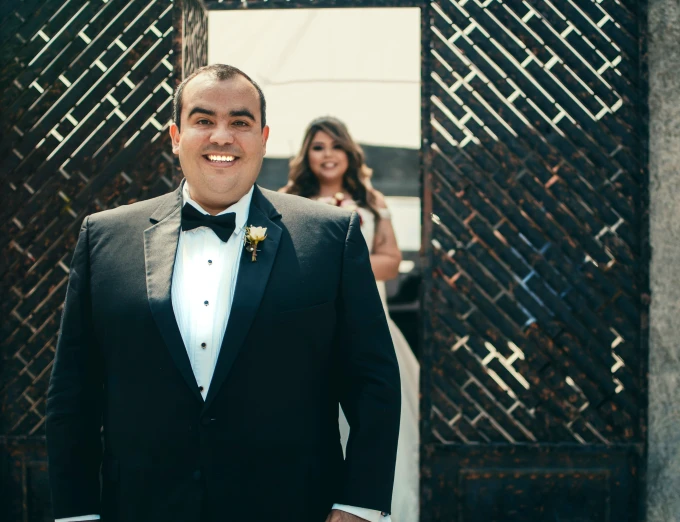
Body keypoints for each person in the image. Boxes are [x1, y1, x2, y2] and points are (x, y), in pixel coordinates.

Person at [45, 65, 401, 522]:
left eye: (239, 121)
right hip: (141, 507)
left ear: (264, 136)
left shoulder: (331, 236)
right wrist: (75, 513)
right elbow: (73, 392)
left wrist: (360, 505)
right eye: (203, 120)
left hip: (292, 506)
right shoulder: (103, 237)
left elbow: (374, 381)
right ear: (176, 135)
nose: (222, 136)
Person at [281, 117, 419, 522]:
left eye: (336, 146)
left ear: (349, 153)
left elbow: (392, 261)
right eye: (319, 147)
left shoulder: (373, 200)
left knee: (376, 416)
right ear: (307, 154)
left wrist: (343, 265)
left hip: (368, 323)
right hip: (313, 328)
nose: (328, 155)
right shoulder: (289, 199)